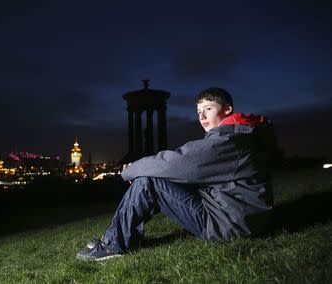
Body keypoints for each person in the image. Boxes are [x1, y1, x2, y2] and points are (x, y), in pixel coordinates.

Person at [77, 87, 276, 261]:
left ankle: (114, 244)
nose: (202, 117)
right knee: (153, 179)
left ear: (227, 109)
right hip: (234, 216)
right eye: (199, 111)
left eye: (208, 109)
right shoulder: (240, 135)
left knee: (149, 182)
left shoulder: (230, 141)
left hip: (229, 225)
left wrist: (131, 170)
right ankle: (119, 237)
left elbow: (179, 162)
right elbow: (191, 173)